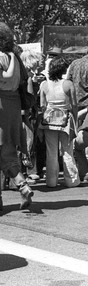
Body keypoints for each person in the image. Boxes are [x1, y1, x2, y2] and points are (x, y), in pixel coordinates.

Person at [0, 22, 34, 211]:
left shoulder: (1, 58)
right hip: (13, 108)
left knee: (4, 151)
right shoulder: (16, 58)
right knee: (8, 152)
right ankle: (23, 186)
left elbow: (4, 79)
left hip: (1, 105)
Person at [39, 57, 80, 188]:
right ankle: (71, 180)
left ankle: (51, 181)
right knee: (67, 151)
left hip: (49, 120)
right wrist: (76, 120)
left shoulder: (44, 85)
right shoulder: (68, 84)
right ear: (63, 69)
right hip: (65, 120)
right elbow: (74, 105)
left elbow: (42, 106)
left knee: (51, 152)